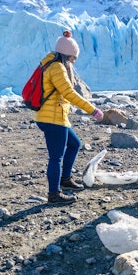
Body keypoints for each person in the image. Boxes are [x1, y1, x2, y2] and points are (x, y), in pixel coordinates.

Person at [35, 30, 104, 204]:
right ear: (67, 55)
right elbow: (68, 93)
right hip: (53, 119)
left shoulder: (52, 64)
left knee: (74, 144)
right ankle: (53, 194)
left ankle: (65, 179)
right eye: (73, 58)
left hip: (55, 117)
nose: (74, 61)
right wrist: (92, 110)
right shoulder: (57, 67)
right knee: (56, 157)